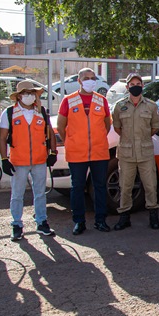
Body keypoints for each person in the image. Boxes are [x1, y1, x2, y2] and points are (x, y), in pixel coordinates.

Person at [0, 80, 58, 241]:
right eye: (25, 93)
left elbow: (50, 133)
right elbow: (3, 137)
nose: (29, 96)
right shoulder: (9, 113)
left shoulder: (41, 112)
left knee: (40, 193)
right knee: (17, 194)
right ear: (18, 96)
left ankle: (41, 222)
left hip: (39, 159)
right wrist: (4, 159)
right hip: (18, 161)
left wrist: (53, 152)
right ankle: (17, 224)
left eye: (32, 93)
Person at [57, 67, 112, 235]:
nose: (90, 80)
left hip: (99, 152)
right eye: (86, 77)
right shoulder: (68, 100)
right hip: (77, 152)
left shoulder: (101, 100)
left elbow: (107, 124)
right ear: (79, 81)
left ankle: (100, 220)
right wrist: (72, 141)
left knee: (100, 187)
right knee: (77, 187)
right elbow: (61, 126)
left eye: (92, 77)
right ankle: (79, 222)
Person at [112, 73, 159, 231]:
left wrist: (142, 139)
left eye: (138, 84)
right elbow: (117, 128)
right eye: (132, 83)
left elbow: (155, 127)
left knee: (150, 186)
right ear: (127, 87)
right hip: (126, 153)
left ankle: (153, 216)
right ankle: (124, 217)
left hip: (145, 152)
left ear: (142, 86)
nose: (135, 86)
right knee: (125, 186)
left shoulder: (151, 106)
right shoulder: (119, 106)